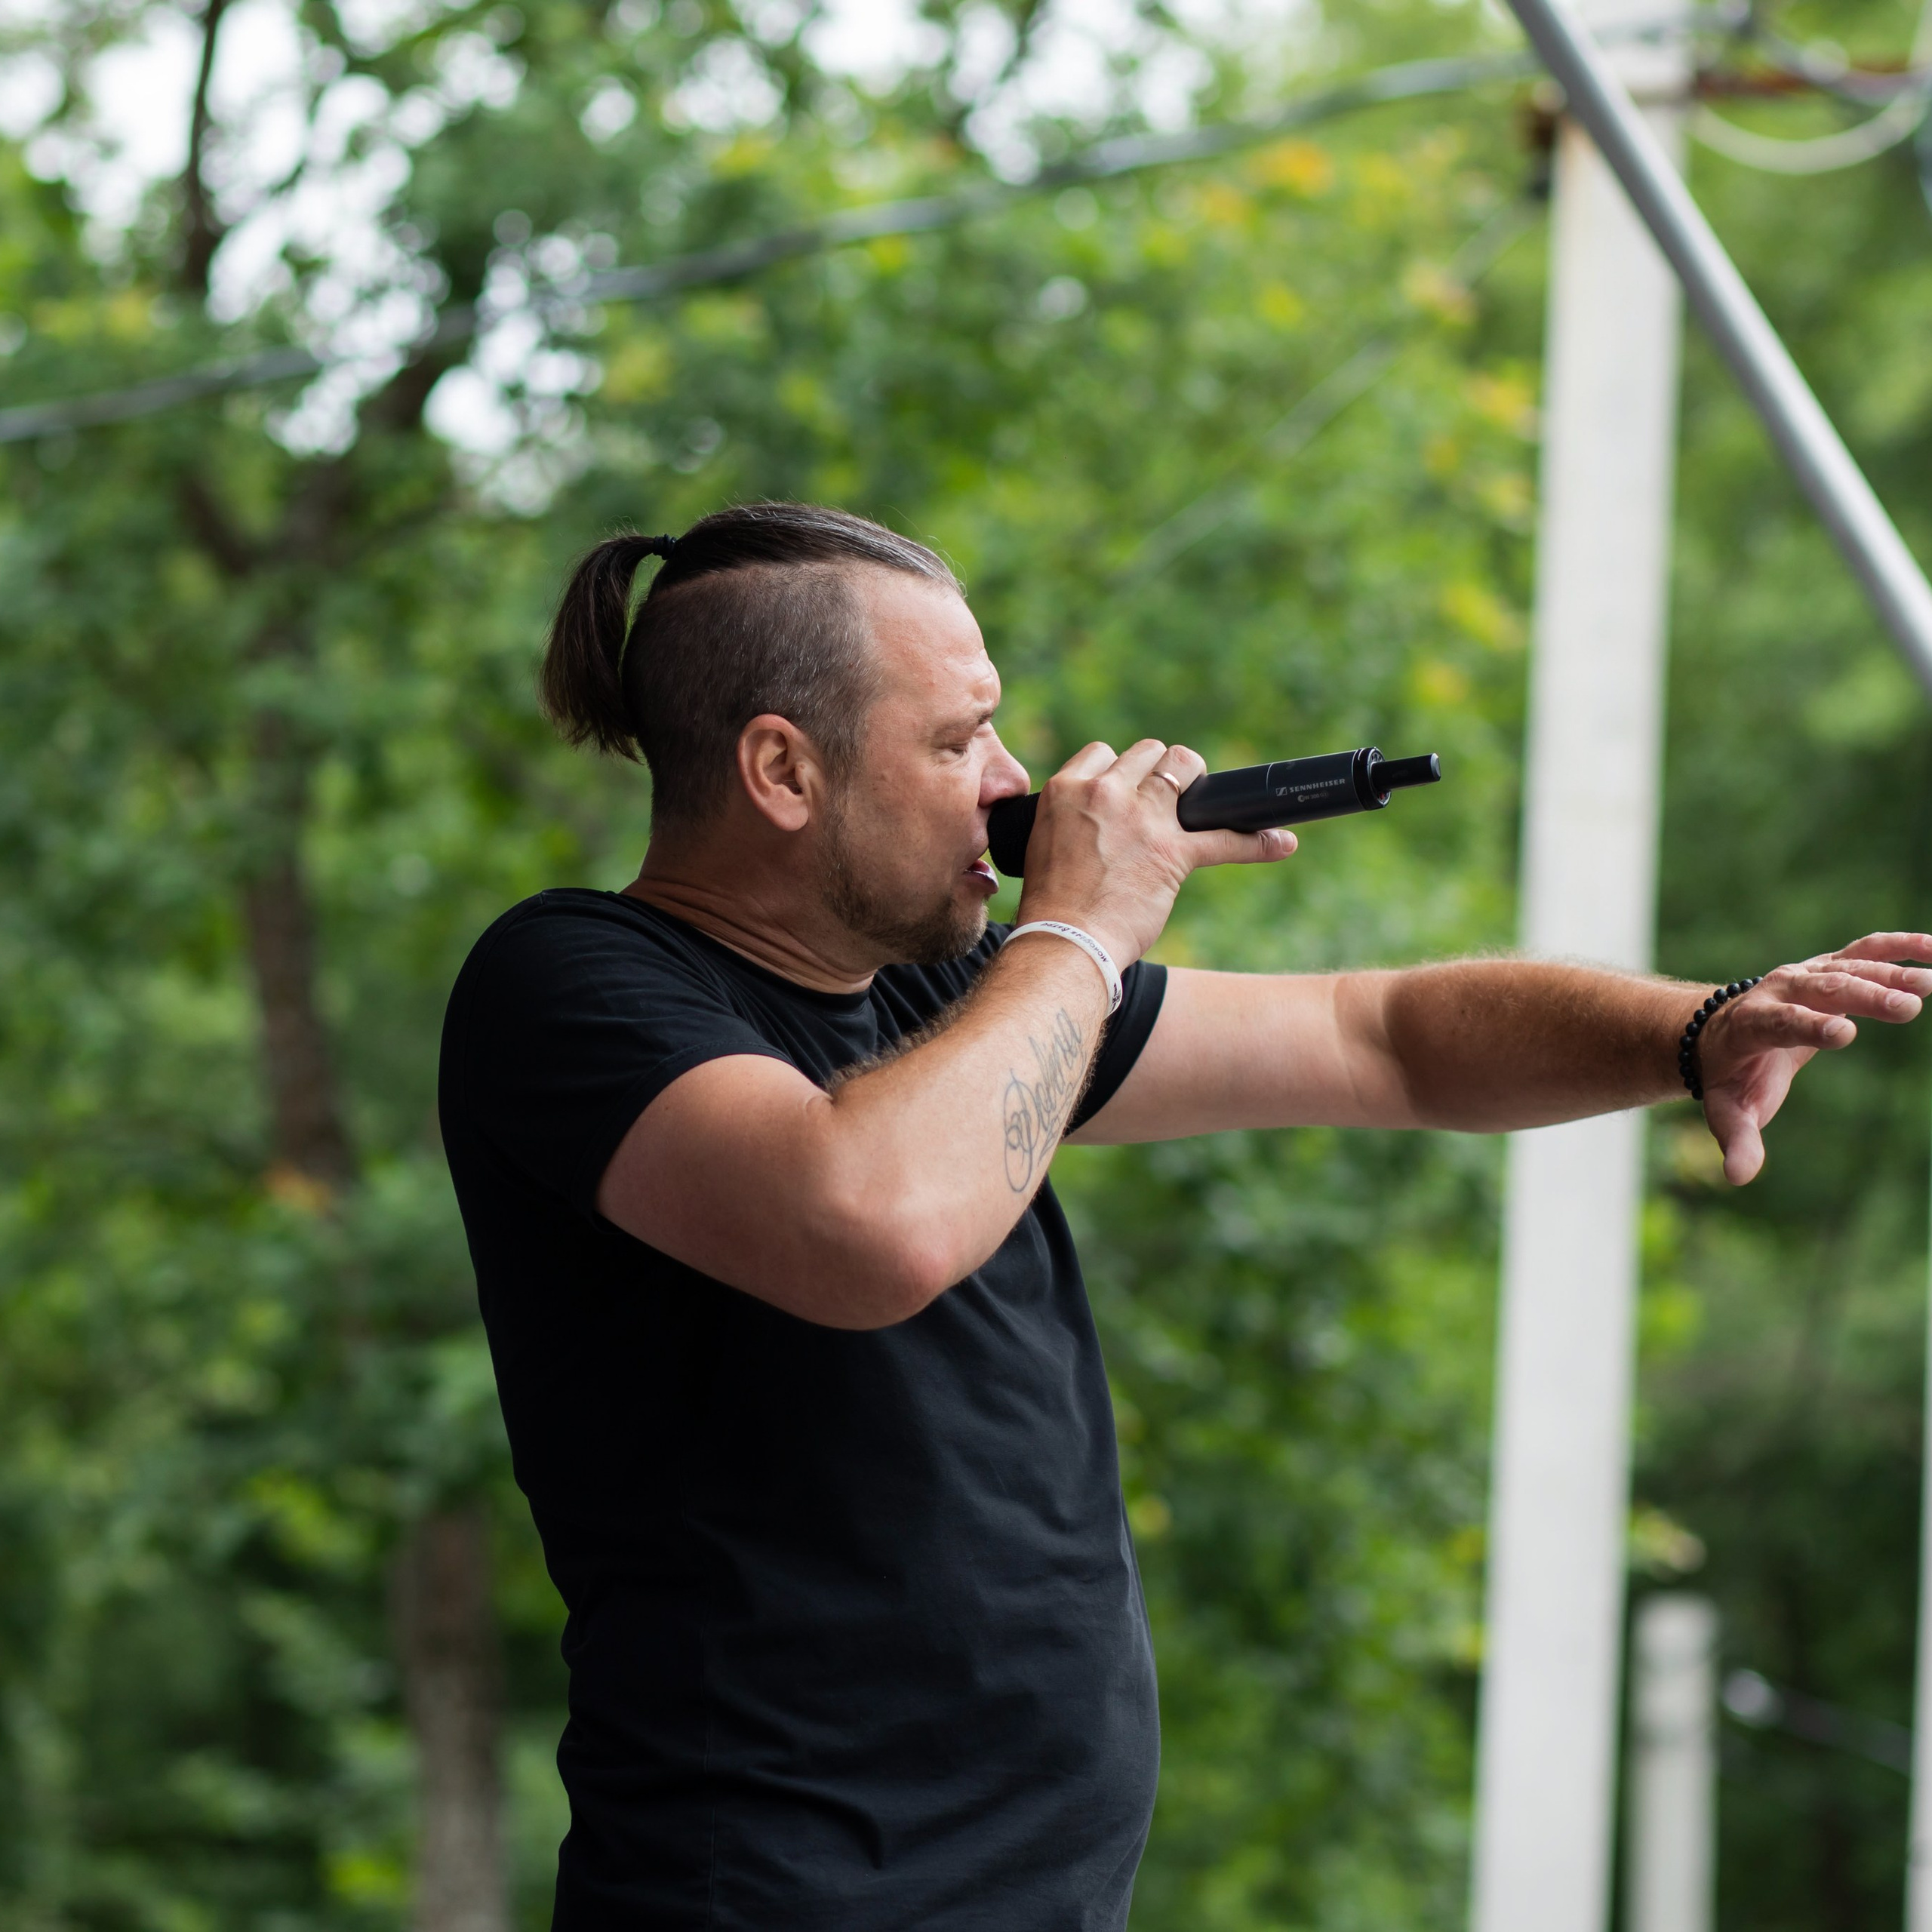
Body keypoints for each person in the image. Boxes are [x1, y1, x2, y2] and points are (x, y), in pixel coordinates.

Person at [438, 501, 1930, 1931]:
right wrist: (1079, 927)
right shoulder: (573, 984)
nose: (1007, 775)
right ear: (780, 769)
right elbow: (870, 1220)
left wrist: (1694, 1030)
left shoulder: (954, 1000)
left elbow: (1380, 1036)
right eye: (959, 737)